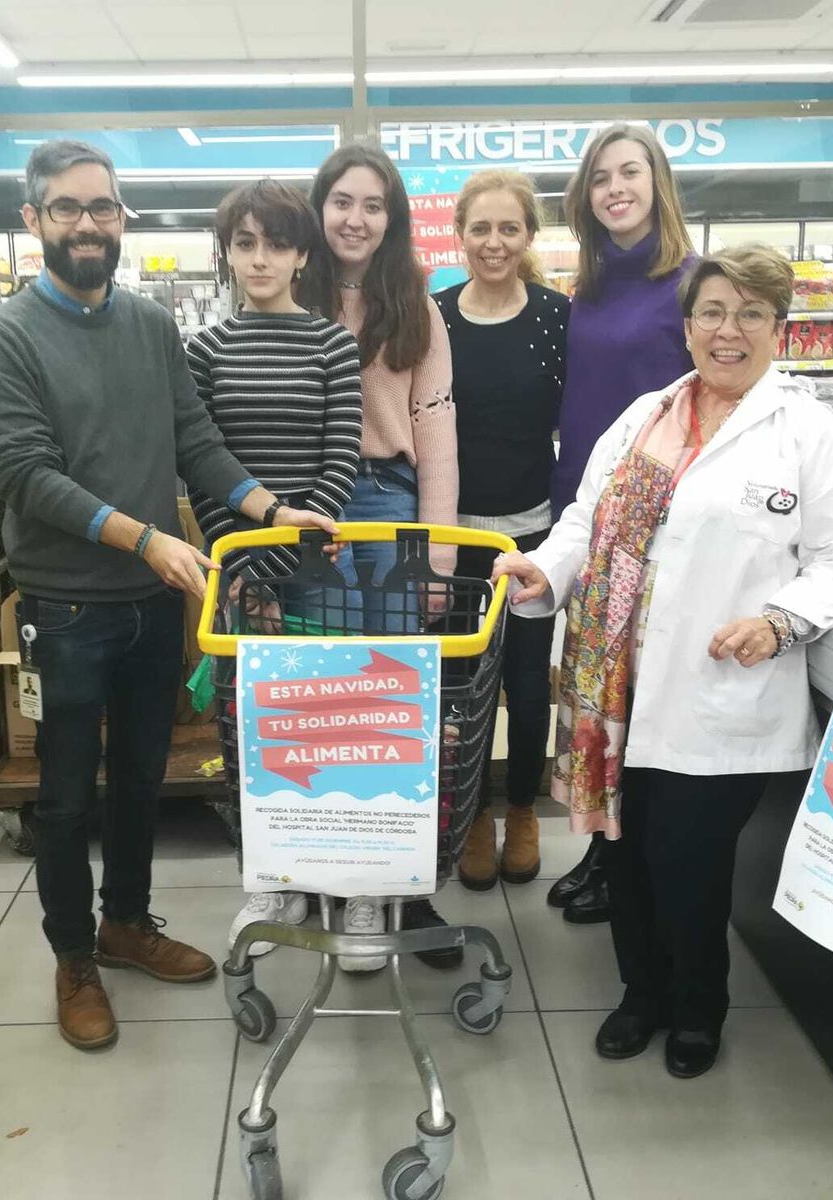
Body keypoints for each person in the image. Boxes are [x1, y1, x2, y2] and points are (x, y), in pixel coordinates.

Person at [0, 141, 337, 1053]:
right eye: (66, 208)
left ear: (121, 219)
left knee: (140, 777)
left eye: (101, 207)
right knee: (65, 796)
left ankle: (126, 924)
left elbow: (195, 440)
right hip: (65, 608)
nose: (86, 224)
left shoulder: (148, 326)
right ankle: (74, 959)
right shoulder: (8, 335)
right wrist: (145, 537)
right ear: (34, 220)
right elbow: (25, 473)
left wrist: (271, 510)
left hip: (150, 599)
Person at [492, 245, 833, 1079]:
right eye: (712, 312)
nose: (728, 331)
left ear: (779, 328)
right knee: (625, 855)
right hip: (617, 688)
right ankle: (641, 996)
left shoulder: (808, 433)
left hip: (719, 692)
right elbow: (585, 519)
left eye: (750, 314)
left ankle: (699, 1010)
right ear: (689, 325)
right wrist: (545, 570)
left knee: (689, 865)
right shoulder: (645, 417)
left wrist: (780, 622)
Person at [186, 180, 364, 957]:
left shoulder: (333, 345)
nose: (260, 259)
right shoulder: (204, 351)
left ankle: (351, 882)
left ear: (301, 256)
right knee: (251, 728)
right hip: (237, 572)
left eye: (277, 244)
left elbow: (342, 455)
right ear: (227, 253)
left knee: (339, 726)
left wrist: (293, 551)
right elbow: (200, 465)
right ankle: (273, 883)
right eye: (245, 243)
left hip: (321, 569)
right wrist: (245, 568)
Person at [298, 142, 461, 972]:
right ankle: (327, 871)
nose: (355, 219)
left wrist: (437, 562)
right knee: (323, 700)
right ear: (319, 209)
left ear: (391, 219)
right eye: (342, 202)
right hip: (305, 513)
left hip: (390, 503)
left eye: (373, 205)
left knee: (397, 701)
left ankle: (397, 882)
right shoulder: (289, 291)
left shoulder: (415, 308)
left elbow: (436, 436)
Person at [547, 122, 700, 927]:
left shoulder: (692, 282)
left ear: (657, 182)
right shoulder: (593, 286)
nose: (616, 189)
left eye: (630, 172)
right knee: (593, 691)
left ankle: (629, 859)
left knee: (638, 692)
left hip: (659, 519)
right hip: (588, 512)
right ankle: (603, 848)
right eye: (601, 177)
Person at [433, 170, 568, 891]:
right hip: (455, 542)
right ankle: (475, 813)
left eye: (509, 228)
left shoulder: (555, 317)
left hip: (534, 538)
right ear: (459, 234)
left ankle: (521, 811)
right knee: (463, 686)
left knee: (526, 679)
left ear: (528, 235)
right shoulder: (434, 317)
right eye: (480, 228)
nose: (494, 242)